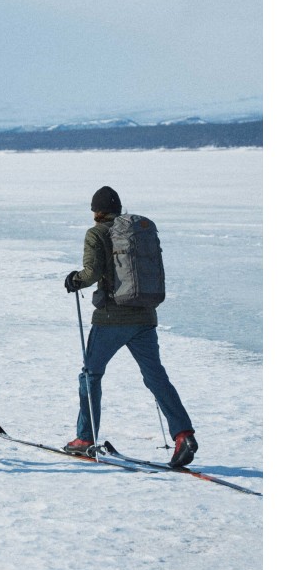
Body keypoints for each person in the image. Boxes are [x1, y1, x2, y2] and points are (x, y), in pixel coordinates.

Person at [63, 186, 198, 468]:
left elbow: (91, 273)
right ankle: (183, 435)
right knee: (156, 377)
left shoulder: (97, 233)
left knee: (91, 375)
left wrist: (75, 279)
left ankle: (85, 438)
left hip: (111, 319)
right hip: (145, 317)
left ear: (96, 211)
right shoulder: (137, 233)